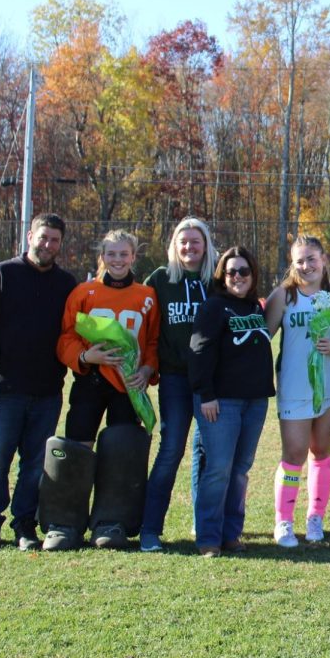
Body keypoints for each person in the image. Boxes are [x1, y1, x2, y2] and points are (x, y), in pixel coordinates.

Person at [0, 213, 78, 551]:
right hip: (2, 391)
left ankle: (24, 526)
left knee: (34, 467)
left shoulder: (66, 284)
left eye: (55, 240)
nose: (48, 245)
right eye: (43, 237)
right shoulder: (2, 274)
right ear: (30, 235)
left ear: (61, 244)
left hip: (47, 392)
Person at [42, 229, 159, 551]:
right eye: (111, 254)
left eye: (124, 254)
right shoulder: (83, 292)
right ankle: (65, 523)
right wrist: (84, 356)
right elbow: (66, 335)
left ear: (134, 256)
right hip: (90, 381)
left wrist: (147, 370)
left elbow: (151, 342)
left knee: (121, 451)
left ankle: (112, 521)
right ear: (102, 257)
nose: (118, 260)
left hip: (127, 385)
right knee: (77, 448)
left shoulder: (147, 295)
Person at [189, 246, 275, 557]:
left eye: (244, 271)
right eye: (231, 272)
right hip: (221, 402)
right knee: (219, 469)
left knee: (240, 470)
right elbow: (199, 351)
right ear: (222, 277)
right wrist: (206, 395)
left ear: (253, 276)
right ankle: (208, 537)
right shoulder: (214, 307)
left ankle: (231, 534)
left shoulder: (255, 308)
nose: (237, 276)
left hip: (255, 402)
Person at [139, 217, 218, 552]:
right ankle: (150, 529)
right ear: (174, 244)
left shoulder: (216, 280)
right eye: (183, 241)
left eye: (195, 241)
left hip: (210, 382)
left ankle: (205, 528)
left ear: (206, 244)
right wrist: (145, 366)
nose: (189, 247)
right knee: (171, 449)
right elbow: (143, 325)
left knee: (207, 452)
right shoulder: (160, 279)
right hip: (173, 378)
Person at [264, 236, 330, 547]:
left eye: (311, 258)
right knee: (294, 454)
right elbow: (262, 339)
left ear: (323, 259)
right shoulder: (283, 296)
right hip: (295, 386)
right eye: (299, 260)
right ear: (292, 263)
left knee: (321, 451)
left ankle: (316, 517)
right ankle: (283, 521)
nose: (306, 266)